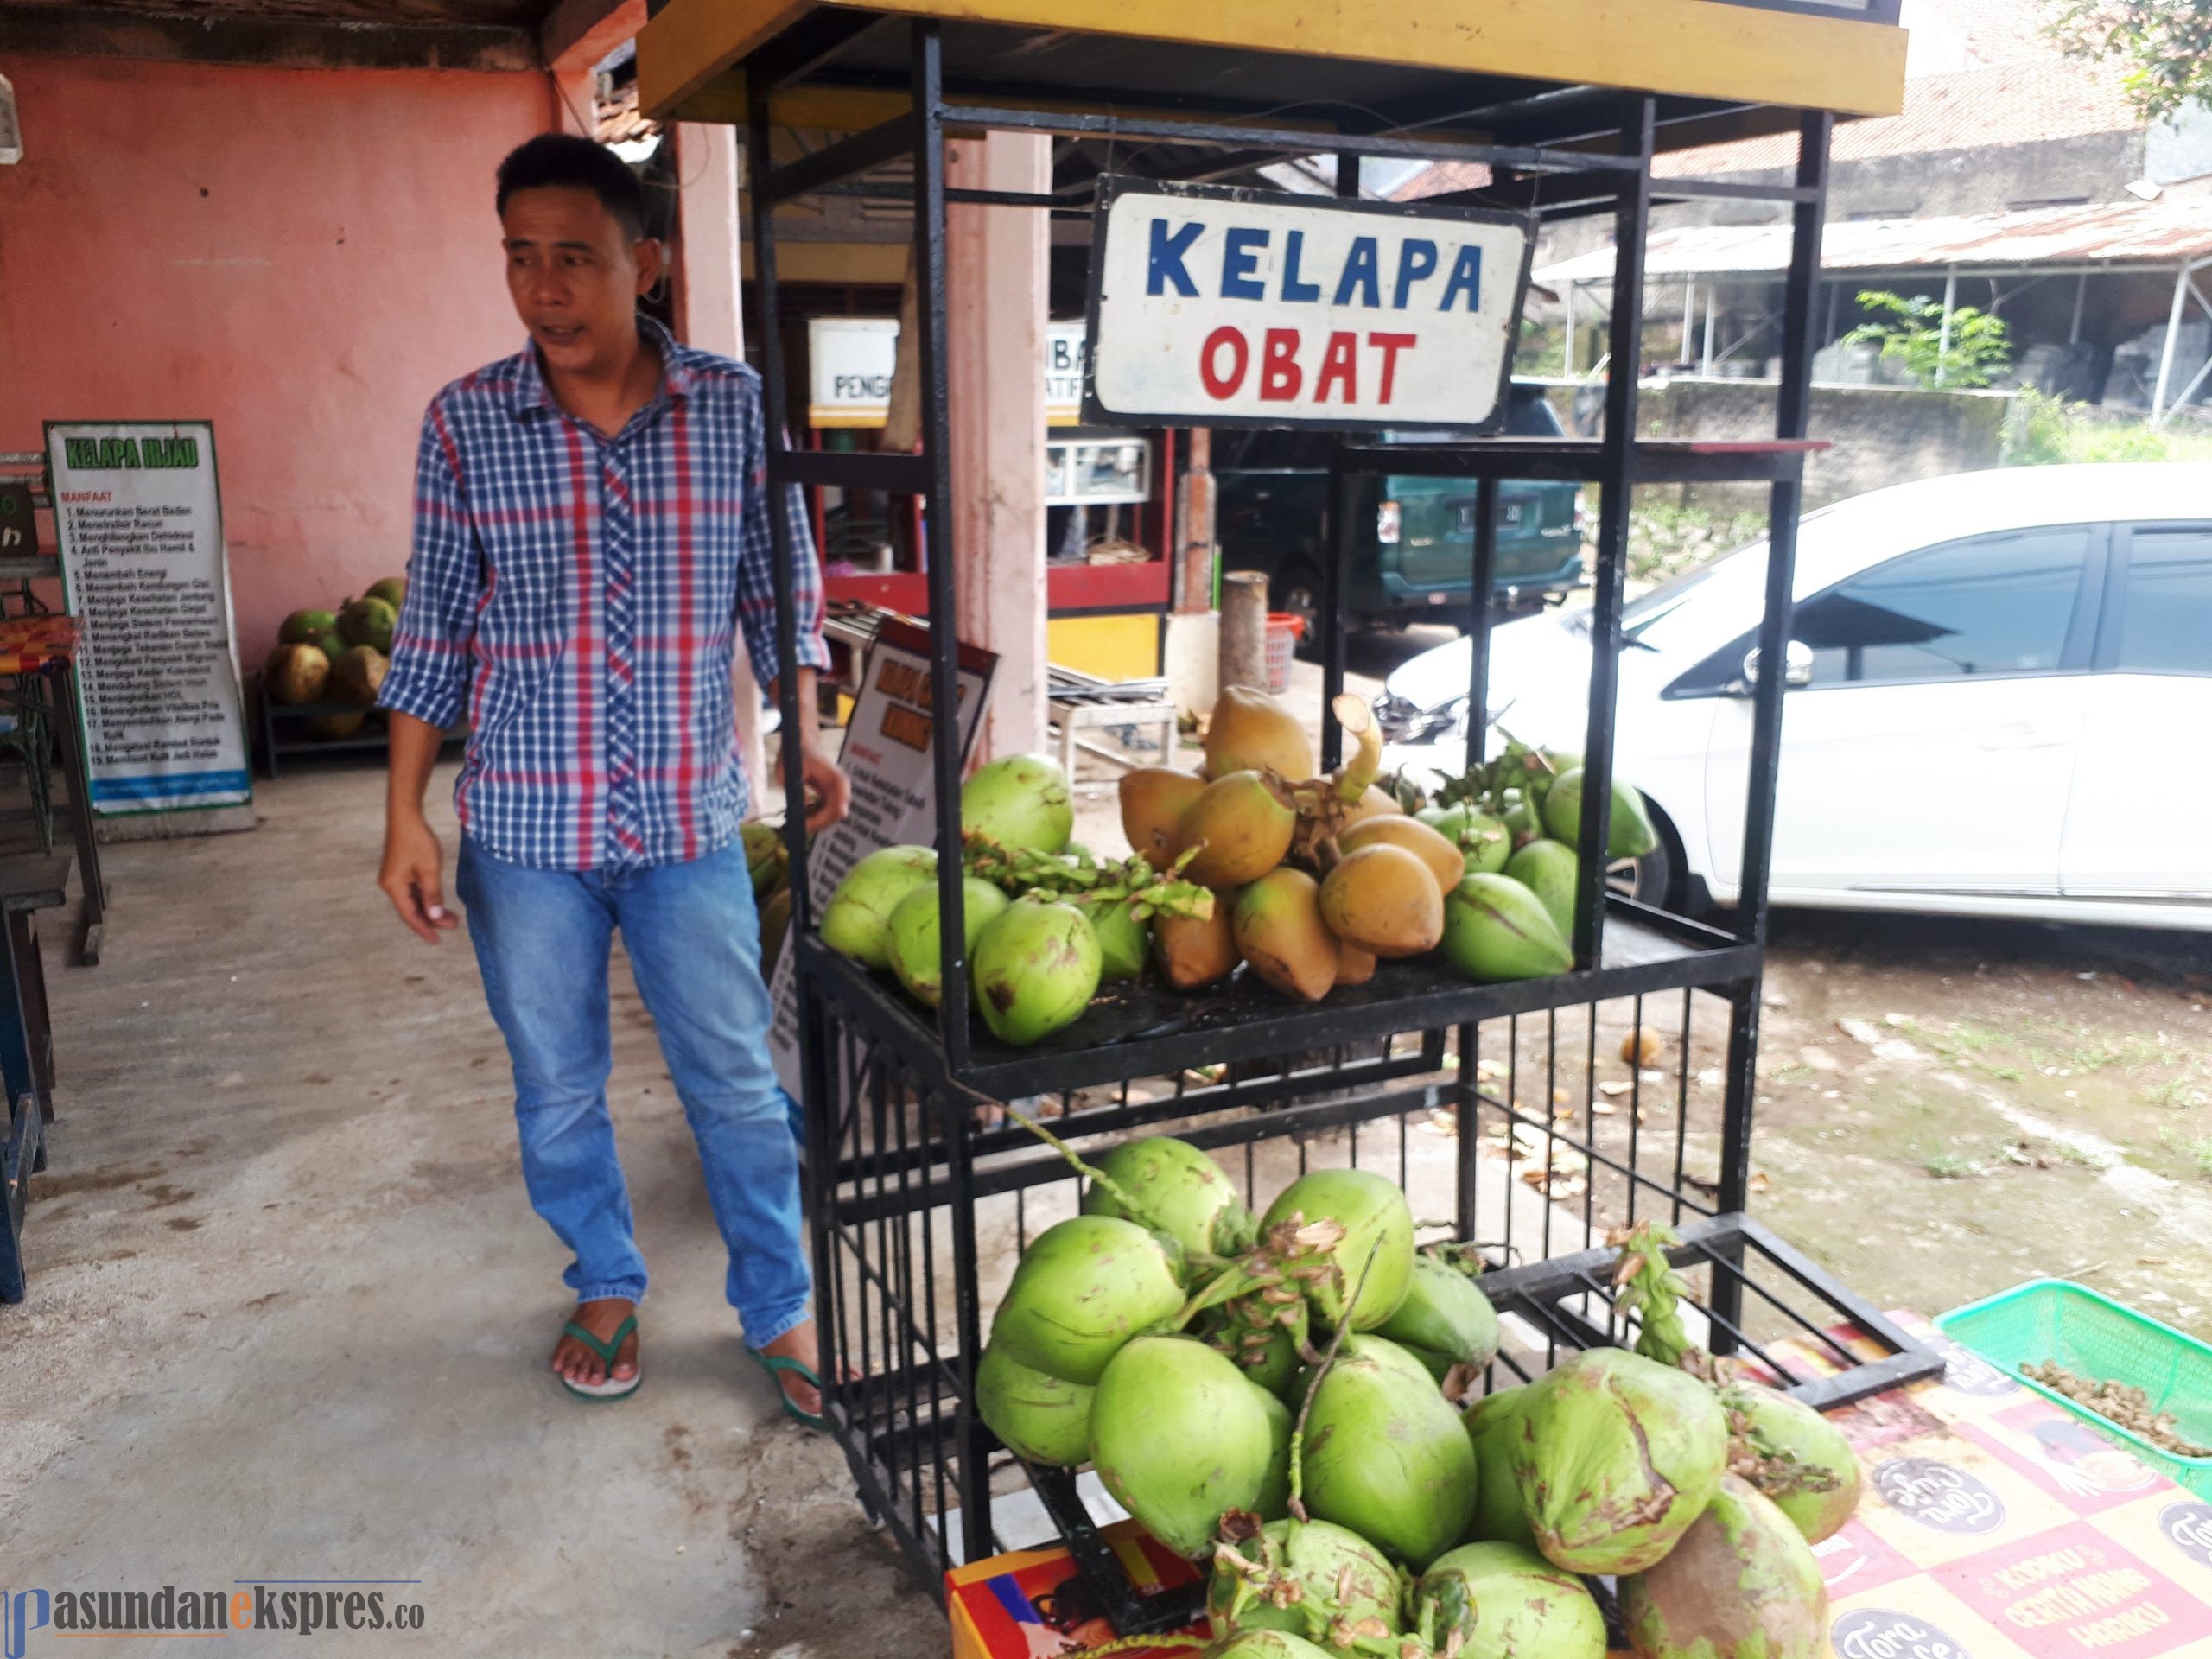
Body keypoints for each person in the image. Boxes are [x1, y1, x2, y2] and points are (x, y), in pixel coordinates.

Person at [376, 132, 849, 1418]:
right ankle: (605, 1274)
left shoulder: (736, 408)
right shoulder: (467, 423)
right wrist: (403, 815)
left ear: (645, 261)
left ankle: (779, 1301)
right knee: (557, 1081)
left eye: (573, 259)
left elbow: (782, 591)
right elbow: (434, 634)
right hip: (526, 832)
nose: (543, 289)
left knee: (736, 1077)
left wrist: (799, 731)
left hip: (689, 818)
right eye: (521, 259)